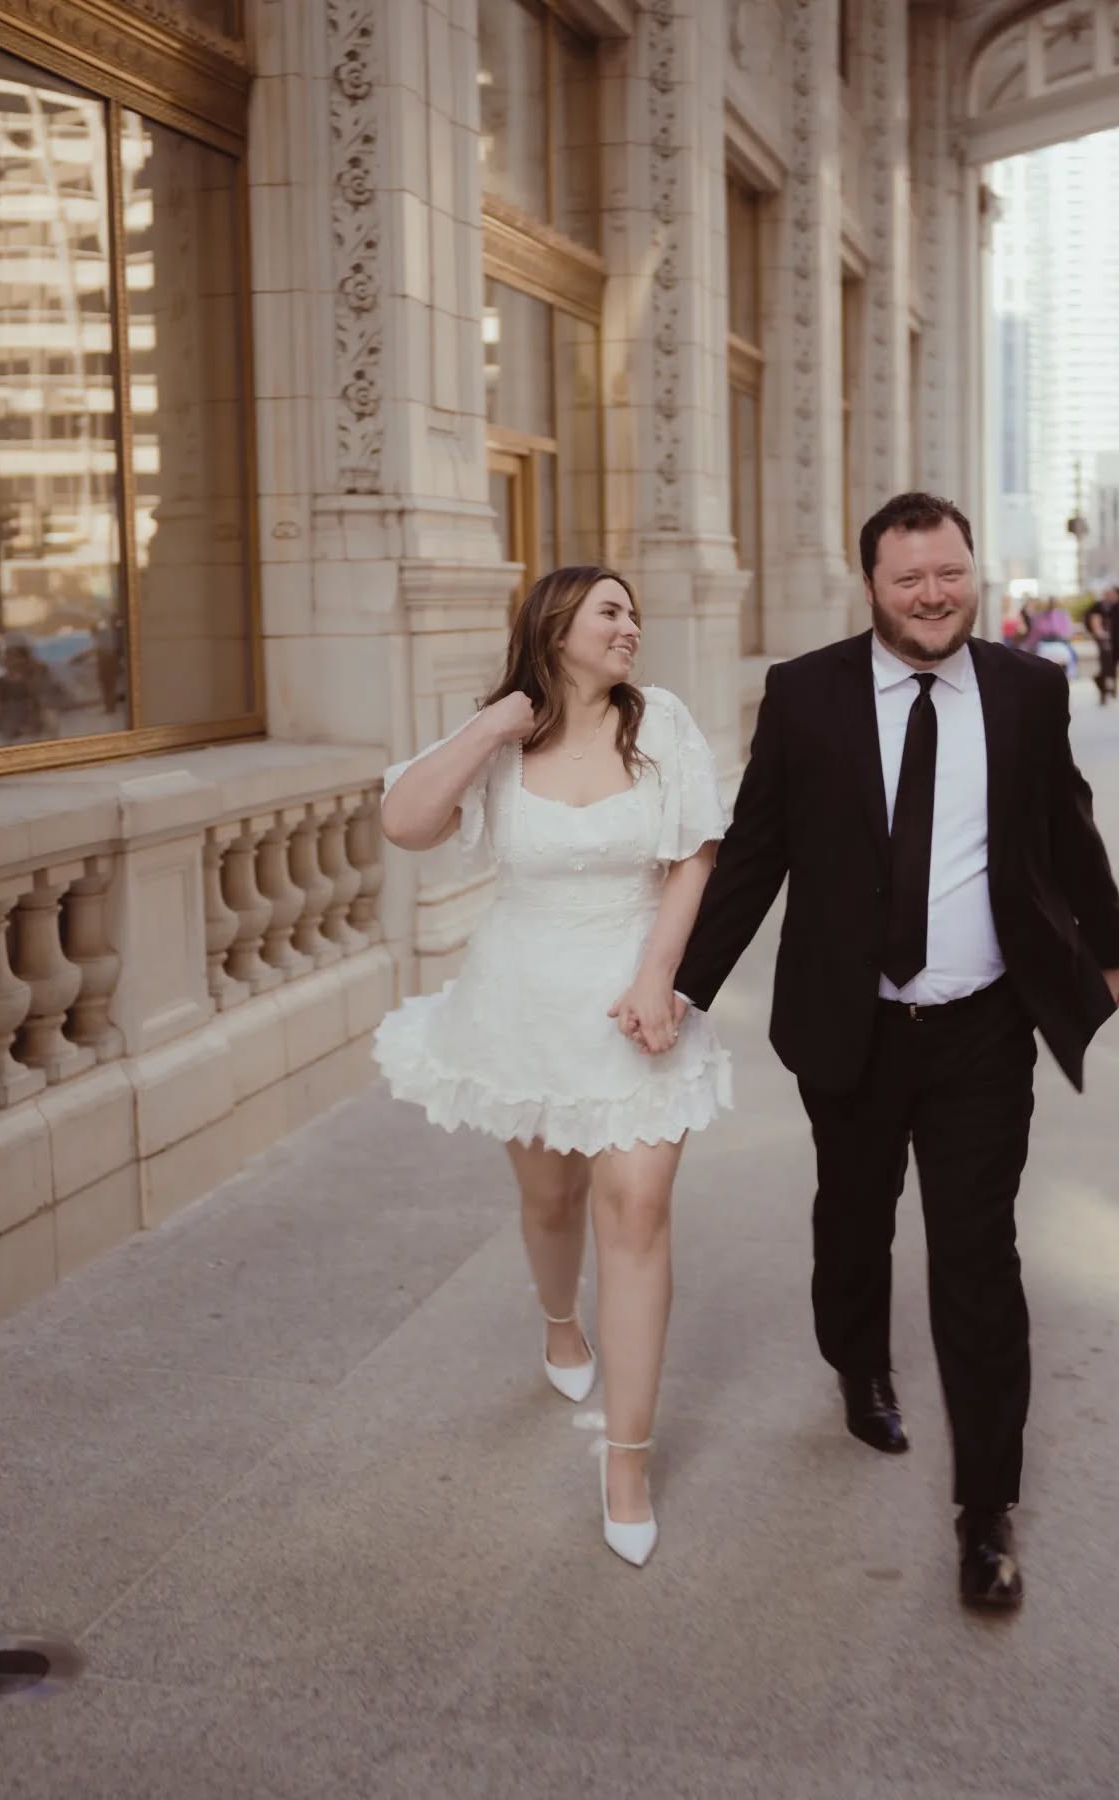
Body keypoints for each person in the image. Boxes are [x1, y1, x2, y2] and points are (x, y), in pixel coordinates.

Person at [674, 492, 1119, 1609]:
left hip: (982, 1021)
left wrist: (1111, 948)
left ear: (974, 571)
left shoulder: (1030, 689)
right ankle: (858, 1359)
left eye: (951, 574)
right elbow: (755, 856)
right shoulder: (806, 694)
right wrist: (680, 989)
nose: (934, 597)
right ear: (869, 584)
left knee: (978, 1255)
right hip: (853, 1019)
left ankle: (986, 1512)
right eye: (908, 579)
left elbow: (1066, 824)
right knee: (853, 1212)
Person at [376, 565, 730, 1569]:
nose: (632, 626)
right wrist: (493, 726)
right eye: (612, 610)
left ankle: (626, 1461)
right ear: (556, 622)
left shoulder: (658, 721)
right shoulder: (501, 737)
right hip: (523, 1003)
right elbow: (406, 824)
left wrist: (660, 977)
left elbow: (695, 855)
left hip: (635, 1000)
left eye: (634, 612)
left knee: (636, 1210)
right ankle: (560, 1324)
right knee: (549, 1203)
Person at [1084, 588, 1116, 704]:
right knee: (1106, 665)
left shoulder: (1111, 607)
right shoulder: (1098, 607)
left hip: (1108, 640)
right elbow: (1095, 623)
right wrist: (1103, 636)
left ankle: (1107, 688)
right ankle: (1102, 687)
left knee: (1108, 665)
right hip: (1103, 640)